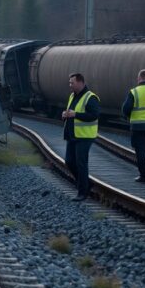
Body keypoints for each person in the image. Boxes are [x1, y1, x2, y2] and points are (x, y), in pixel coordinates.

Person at [63, 73, 100, 201]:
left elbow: (94, 115)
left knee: (81, 163)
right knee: (69, 161)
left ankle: (82, 193)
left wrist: (75, 115)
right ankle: (86, 184)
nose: (70, 85)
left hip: (84, 136)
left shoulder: (91, 97)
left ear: (80, 82)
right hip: (72, 135)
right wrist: (66, 115)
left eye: (72, 83)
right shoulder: (73, 96)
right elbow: (72, 112)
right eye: (69, 83)